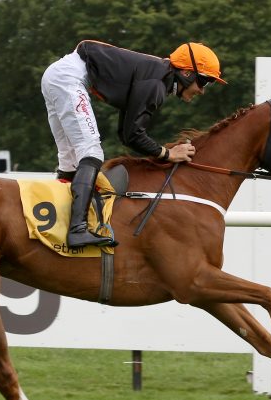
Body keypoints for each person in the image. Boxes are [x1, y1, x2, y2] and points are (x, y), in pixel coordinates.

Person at [41, 39, 226, 248]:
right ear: (187, 73)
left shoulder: (156, 76)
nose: (202, 90)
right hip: (69, 79)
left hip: (58, 75)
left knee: (70, 160)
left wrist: (161, 152)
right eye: (203, 82)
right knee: (91, 153)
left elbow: (125, 133)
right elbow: (132, 136)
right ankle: (77, 230)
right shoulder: (155, 84)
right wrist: (168, 154)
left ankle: (60, 222)